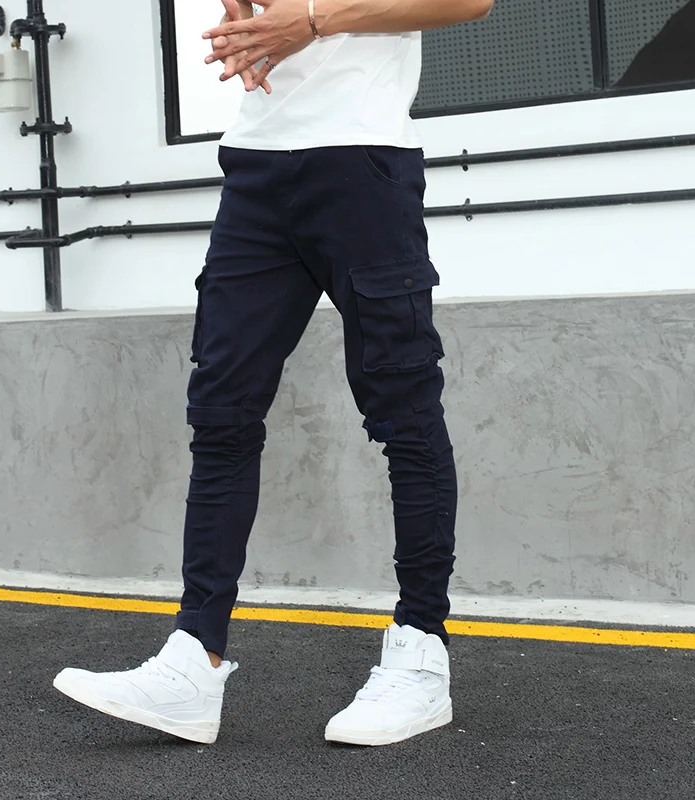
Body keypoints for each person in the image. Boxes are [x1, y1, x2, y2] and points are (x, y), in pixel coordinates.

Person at [53, 0, 493, 747]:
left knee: (404, 411)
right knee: (220, 411)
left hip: (362, 161)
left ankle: (420, 654)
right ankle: (193, 661)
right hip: (256, 165)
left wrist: (314, 21)